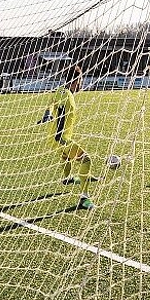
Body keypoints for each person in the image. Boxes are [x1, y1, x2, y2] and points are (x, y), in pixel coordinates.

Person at [40, 65, 96, 210]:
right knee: (86, 159)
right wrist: (61, 138)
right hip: (61, 138)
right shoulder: (68, 96)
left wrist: (47, 114)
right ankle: (84, 198)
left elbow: (51, 102)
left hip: (54, 137)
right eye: (81, 80)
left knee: (66, 157)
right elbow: (60, 115)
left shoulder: (59, 90)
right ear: (77, 80)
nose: (81, 83)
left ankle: (66, 179)